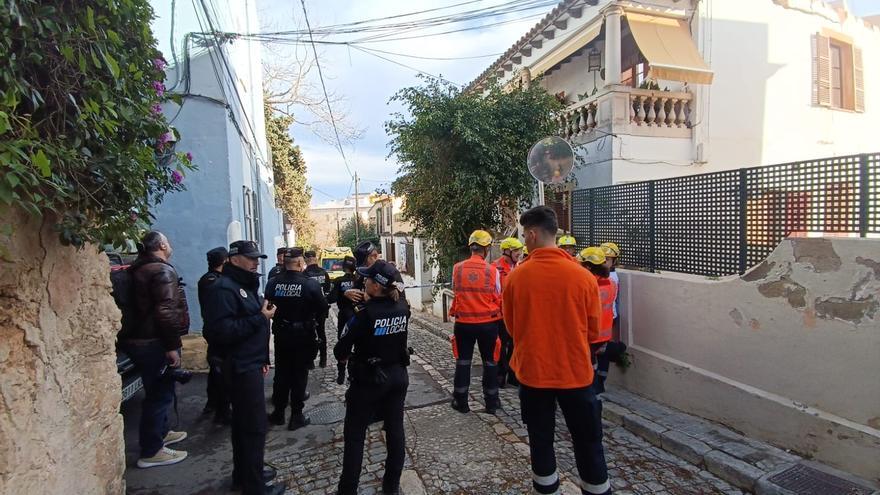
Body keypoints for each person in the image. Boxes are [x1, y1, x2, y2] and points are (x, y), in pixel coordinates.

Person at [503, 206, 611, 495]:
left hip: (534, 374)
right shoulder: (584, 277)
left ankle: (547, 489)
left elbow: (512, 328)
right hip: (575, 373)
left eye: (525, 235)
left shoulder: (516, 277)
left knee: (540, 440)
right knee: (588, 440)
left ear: (534, 234)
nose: (524, 240)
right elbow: (593, 330)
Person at [202, 240, 283, 495]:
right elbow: (220, 332)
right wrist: (261, 317)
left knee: (244, 425)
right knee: (253, 427)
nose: (255, 262)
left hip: (249, 362)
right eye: (251, 258)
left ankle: (248, 473)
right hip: (238, 366)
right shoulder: (224, 289)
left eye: (257, 258)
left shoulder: (242, 284)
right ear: (234, 259)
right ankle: (254, 486)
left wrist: (262, 357)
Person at [334, 260, 411, 495]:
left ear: (376, 286)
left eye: (368, 279)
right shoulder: (403, 307)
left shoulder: (364, 315)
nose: (364, 281)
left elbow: (341, 351)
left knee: (355, 436)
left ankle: (347, 490)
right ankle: (391, 487)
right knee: (395, 431)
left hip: (369, 381)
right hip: (398, 376)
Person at [119, 231, 190, 468]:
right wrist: (172, 346)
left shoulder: (136, 269)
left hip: (137, 339)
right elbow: (166, 311)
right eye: (167, 242)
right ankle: (152, 450)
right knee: (159, 394)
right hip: (153, 341)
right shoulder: (162, 270)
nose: (170, 246)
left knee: (157, 390)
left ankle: (161, 431)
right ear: (160, 245)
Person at [266, 248, 329, 430]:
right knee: (299, 374)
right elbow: (322, 307)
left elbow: (268, 305)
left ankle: (278, 412)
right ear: (301, 264)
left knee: (282, 372)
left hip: (281, 333)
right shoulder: (309, 284)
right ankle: (296, 415)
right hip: (303, 334)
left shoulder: (272, 283)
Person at [449, 229, 502, 414]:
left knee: (463, 362)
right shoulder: (492, 271)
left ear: (471, 247)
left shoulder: (457, 268)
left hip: (463, 324)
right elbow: (498, 295)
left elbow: (456, 290)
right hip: (488, 324)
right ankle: (492, 403)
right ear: (486, 249)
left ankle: (461, 401)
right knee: (490, 362)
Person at [577, 247, 617, 394]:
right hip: (604, 333)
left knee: (588, 365)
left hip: (590, 334)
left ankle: (590, 392)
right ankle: (599, 386)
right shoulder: (611, 283)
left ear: (588, 266)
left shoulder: (588, 286)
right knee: (600, 362)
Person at [199, 246, 231, 425]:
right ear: (224, 262)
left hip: (213, 329)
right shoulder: (213, 281)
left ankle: (213, 403)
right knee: (221, 369)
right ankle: (222, 410)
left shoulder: (208, 278)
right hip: (217, 331)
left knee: (216, 367)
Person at [493, 237, 523, 388]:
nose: (520, 253)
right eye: (516, 250)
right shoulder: (495, 268)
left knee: (514, 346)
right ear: (507, 251)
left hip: (516, 314)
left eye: (520, 250)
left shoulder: (519, 267)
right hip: (500, 315)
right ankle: (500, 375)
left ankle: (513, 375)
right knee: (501, 346)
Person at [329, 256, 358, 384]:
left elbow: (332, 298)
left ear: (343, 267)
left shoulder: (338, 281)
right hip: (358, 315)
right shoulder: (359, 280)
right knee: (358, 344)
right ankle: (354, 374)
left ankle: (341, 373)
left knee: (343, 344)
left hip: (344, 315)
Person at [303, 250, 331, 368]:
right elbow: (328, 289)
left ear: (306, 260)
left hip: (309, 308)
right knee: (321, 332)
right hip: (322, 307)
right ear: (315, 259)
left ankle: (310, 361)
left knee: (309, 334)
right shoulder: (324, 273)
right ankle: (323, 359)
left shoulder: (304, 274)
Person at [600, 242, 621, 340]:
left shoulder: (610, 277)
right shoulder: (608, 274)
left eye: (607, 259)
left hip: (608, 314)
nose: (603, 262)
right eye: (602, 259)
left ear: (614, 261)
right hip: (608, 313)